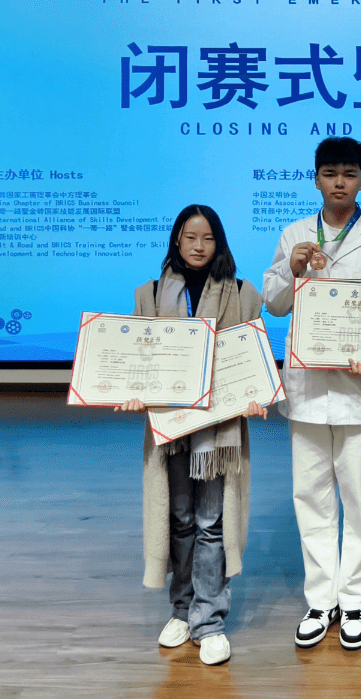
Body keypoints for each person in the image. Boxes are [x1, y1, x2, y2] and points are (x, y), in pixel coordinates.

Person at [262, 137, 361, 651]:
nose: (339, 182)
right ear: (316, 179)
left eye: (349, 173)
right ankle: (320, 599)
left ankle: (354, 601)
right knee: (311, 497)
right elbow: (275, 303)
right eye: (330, 173)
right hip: (307, 389)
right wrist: (292, 268)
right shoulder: (295, 234)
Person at [117, 204, 267, 666]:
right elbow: (138, 357)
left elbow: (251, 353)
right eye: (190, 237)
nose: (199, 246)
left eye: (207, 238)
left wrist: (256, 394)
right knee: (179, 518)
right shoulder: (150, 293)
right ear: (176, 241)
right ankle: (181, 610)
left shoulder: (242, 292)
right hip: (170, 429)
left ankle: (209, 620)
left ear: (219, 242)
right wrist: (132, 393)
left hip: (218, 431)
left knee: (210, 522)